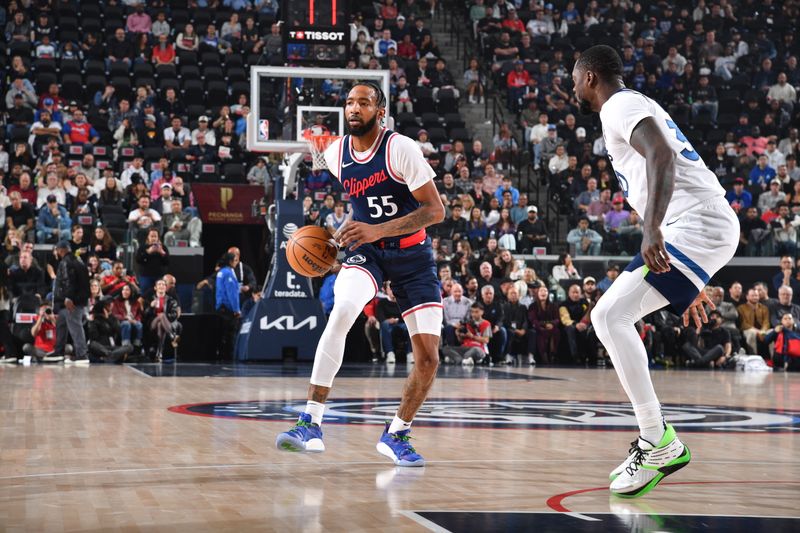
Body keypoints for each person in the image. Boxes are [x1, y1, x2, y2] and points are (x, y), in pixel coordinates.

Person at [573, 45, 739, 497]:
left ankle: (658, 440)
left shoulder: (620, 105)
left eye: (574, 78)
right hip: (698, 228)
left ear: (589, 77)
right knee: (610, 316)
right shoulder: (636, 103)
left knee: (609, 317)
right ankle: (656, 438)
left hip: (696, 226)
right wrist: (692, 277)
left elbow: (662, 157)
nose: (573, 87)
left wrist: (652, 232)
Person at [276, 81, 445, 467]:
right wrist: (338, 237)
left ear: (379, 112)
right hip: (368, 252)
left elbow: (435, 211)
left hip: (413, 257)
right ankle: (310, 422)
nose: (354, 108)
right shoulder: (336, 153)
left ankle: (397, 433)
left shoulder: (400, 148)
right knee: (342, 312)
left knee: (428, 359)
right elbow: (364, 203)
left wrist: (376, 229)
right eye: (350, 102)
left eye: (364, 102)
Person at [52, 241, 91, 364]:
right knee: (61, 325)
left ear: (61, 250)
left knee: (75, 327)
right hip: (69, 301)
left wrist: (68, 298)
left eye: (56, 250)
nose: (56, 253)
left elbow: (69, 280)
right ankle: (58, 352)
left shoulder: (65, 262)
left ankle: (82, 355)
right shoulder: (78, 260)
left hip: (71, 302)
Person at [86, 299, 133, 364]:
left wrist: (108, 319)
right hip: (100, 347)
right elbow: (93, 337)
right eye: (107, 307)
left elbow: (118, 331)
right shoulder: (95, 320)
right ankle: (111, 355)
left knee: (129, 347)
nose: (110, 308)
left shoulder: (112, 319)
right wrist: (92, 322)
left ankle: (110, 356)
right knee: (92, 344)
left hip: (111, 347)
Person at [145, 278, 181, 361]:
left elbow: (174, 315)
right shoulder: (150, 299)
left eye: (163, 284)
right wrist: (151, 307)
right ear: (155, 288)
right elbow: (145, 315)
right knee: (161, 316)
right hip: (152, 323)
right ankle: (172, 337)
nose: (161, 286)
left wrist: (164, 317)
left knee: (161, 325)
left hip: (165, 324)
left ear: (166, 287)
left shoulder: (171, 300)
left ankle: (159, 354)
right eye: (159, 284)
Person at [215, 252, 241, 361]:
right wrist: (236, 310)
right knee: (230, 334)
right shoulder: (228, 273)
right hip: (228, 309)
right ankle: (229, 358)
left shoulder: (221, 272)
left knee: (222, 334)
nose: (237, 262)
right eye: (235, 260)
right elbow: (232, 293)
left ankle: (221, 356)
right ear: (230, 261)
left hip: (220, 307)